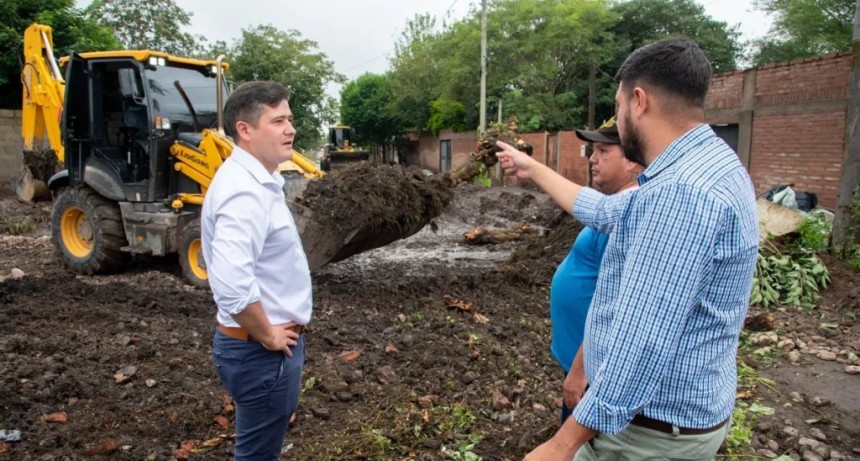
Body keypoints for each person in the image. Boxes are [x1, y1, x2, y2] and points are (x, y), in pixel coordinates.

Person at [495, 38, 759, 461]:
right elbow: (605, 211)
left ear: (639, 101)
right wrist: (533, 168)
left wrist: (562, 445)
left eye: (618, 106)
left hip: (646, 434)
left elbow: (641, 342)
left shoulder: (680, 194)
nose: (618, 119)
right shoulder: (707, 165)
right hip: (663, 423)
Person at [201, 81, 312, 461]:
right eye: (278, 121)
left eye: (289, 119)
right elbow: (231, 284)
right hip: (261, 351)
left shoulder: (259, 182)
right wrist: (267, 334)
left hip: (259, 349)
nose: (290, 129)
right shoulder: (243, 193)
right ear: (244, 130)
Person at [552, 119, 643, 424]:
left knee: (580, 441)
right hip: (583, 362)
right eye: (593, 150)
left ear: (631, 160)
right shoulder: (612, 208)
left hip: (593, 371)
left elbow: (617, 305)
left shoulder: (623, 220)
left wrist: (580, 372)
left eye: (603, 151)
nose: (592, 159)